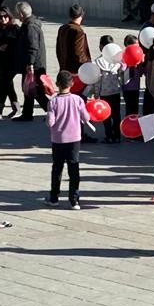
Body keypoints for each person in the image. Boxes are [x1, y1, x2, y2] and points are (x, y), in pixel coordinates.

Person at [45, 71, 91, 210]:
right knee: (74, 168)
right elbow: (86, 118)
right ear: (72, 84)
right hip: (74, 139)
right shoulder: (77, 100)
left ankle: (54, 197)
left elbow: (50, 123)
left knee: (57, 168)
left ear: (57, 84)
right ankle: (74, 200)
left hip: (58, 140)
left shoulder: (53, 101)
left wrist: (48, 114)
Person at [11, 2, 49, 121]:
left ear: (21, 14)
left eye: (17, 13)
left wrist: (30, 63)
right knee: (29, 89)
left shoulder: (30, 26)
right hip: (32, 63)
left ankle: (54, 111)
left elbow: (33, 47)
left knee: (35, 91)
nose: (16, 15)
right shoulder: (29, 24)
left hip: (34, 65)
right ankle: (27, 113)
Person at [94, 35, 125, 143]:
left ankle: (109, 135)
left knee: (106, 115)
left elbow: (97, 80)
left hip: (104, 93)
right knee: (116, 114)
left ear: (101, 47)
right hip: (115, 91)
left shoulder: (97, 62)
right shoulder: (117, 60)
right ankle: (117, 135)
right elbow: (122, 74)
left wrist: (96, 94)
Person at [55, 4, 92, 74]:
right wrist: (87, 65)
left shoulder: (62, 28)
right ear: (81, 15)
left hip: (64, 68)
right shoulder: (78, 31)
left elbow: (58, 49)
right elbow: (79, 53)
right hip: (75, 71)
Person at [122, 34, 142, 119]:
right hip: (127, 88)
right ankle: (128, 125)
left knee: (135, 109)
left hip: (136, 87)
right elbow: (122, 71)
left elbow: (141, 73)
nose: (137, 48)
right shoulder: (124, 56)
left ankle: (134, 126)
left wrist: (141, 64)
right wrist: (130, 65)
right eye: (135, 46)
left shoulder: (138, 56)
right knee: (129, 109)